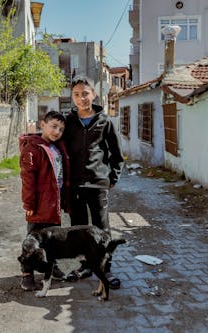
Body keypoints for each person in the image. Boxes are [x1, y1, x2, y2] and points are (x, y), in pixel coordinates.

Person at [63, 75, 124, 289]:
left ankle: (105, 269)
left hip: (98, 184)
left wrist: (112, 178)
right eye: (77, 95)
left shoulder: (105, 121)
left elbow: (116, 154)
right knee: (78, 228)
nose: (81, 99)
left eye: (85, 94)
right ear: (72, 97)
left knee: (101, 228)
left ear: (94, 94)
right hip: (74, 185)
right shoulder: (67, 122)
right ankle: (85, 266)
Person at [18, 110, 70, 291]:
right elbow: (28, 180)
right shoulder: (32, 148)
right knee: (32, 239)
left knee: (52, 238)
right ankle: (27, 273)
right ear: (43, 125)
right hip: (39, 204)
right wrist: (29, 204)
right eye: (54, 127)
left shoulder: (57, 147)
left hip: (53, 204)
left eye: (61, 129)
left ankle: (51, 266)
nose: (57, 132)